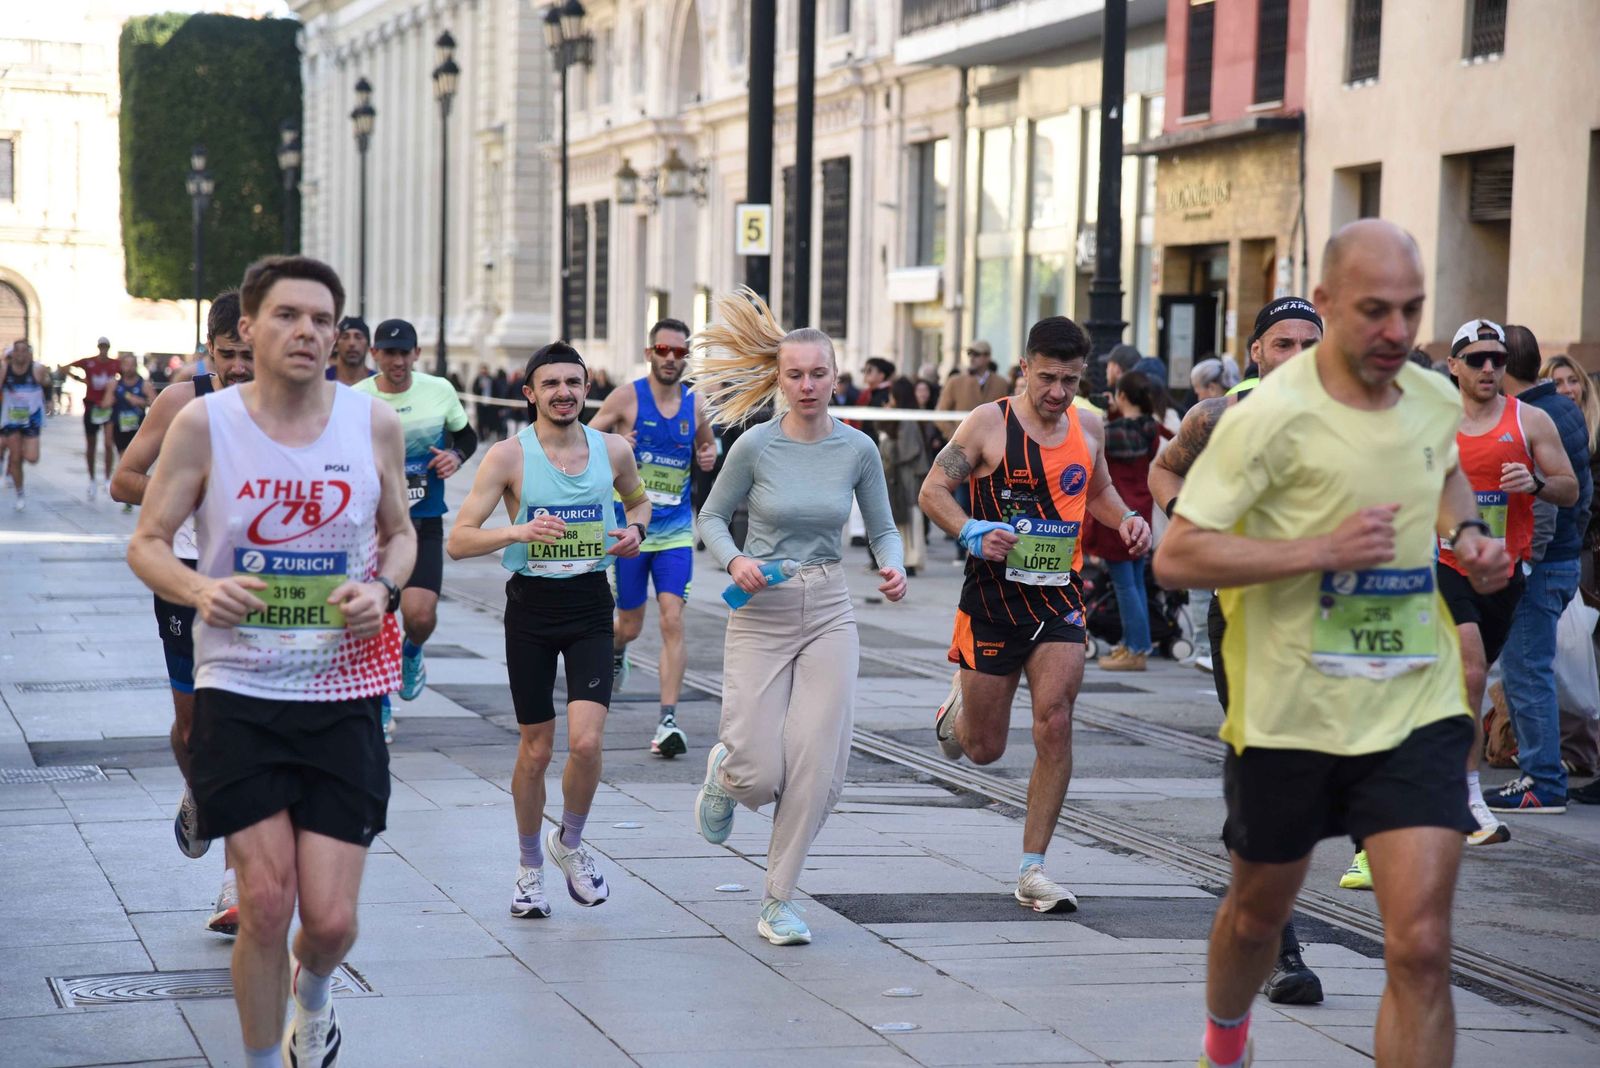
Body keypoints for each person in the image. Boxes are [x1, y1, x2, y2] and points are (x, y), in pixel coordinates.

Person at [1154, 219, 1509, 1068]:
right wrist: (1319, 550)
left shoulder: (1429, 397)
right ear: (1325, 303)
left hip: (1410, 700)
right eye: (1374, 310)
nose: (1395, 331)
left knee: (1421, 946)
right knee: (1256, 914)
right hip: (1291, 709)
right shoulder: (1261, 419)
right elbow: (1177, 556)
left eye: (1412, 310)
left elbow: (1445, 472)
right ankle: (1226, 1042)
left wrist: (1467, 535)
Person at [127, 255, 414, 1068]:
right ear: (246, 329)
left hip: (344, 693)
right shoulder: (204, 424)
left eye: (322, 320)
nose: (308, 332)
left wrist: (385, 591)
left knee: (329, 923)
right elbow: (146, 543)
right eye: (288, 316)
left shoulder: (372, 425)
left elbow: (401, 534)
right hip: (240, 690)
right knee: (265, 900)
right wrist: (196, 589)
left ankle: (315, 998)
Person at [690, 288, 905, 946]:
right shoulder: (755, 446)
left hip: (829, 608)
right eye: (795, 374)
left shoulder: (858, 449)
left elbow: (885, 527)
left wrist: (891, 566)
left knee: (815, 763)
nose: (807, 385)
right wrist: (733, 563)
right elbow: (711, 519)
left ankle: (778, 899)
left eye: (818, 374)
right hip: (761, 606)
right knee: (760, 766)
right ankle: (726, 775)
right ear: (778, 379)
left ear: (835, 378)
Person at [920, 316, 1152, 914]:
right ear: (1024, 368)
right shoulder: (988, 424)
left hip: (1057, 599)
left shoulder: (1090, 425)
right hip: (992, 602)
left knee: (1055, 721)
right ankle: (959, 710)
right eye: (1047, 378)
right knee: (984, 749)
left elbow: (1098, 492)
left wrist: (1124, 517)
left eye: (1070, 380)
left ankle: (1033, 869)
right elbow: (932, 492)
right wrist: (972, 529)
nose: (1057, 392)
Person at [1147, 294, 1326, 1003]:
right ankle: (1281, 949)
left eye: (1312, 343)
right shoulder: (1218, 416)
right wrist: (1189, 522)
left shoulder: (1363, 417)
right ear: (1255, 352)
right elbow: (1166, 471)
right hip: (1248, 624)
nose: (1297, 357)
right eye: (1283, 344)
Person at [447, 341, 648, 920]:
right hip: (530, 610)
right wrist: (517, 533)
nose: (564, 393)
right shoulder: (508, 457)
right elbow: (459, 540)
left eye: (574, 383)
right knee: (535, 748)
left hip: (589, 605)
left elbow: (638, 506)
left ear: (588, 390)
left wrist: (634, 531)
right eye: (551, 384)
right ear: (529, 393)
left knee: (586, 743)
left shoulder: (612, 450)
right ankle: (530, 866)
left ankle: (571, 844)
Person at [111, 291, 255, 935]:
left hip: (256, 579)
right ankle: (199, 789)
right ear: (211, 349)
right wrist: (193, 494)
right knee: (193, 726)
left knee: (240, 724)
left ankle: (235, 882)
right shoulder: (181, 400)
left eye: (253, 356)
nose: (243, 369)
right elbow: (124, 480)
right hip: (185, 573)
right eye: (230, 357)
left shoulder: (295, 402)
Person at [1437, 320, 1577, 842]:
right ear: (1454, 366)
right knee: (1472, 671)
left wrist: (1536, 482)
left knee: (1463, 684)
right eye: (1476, 359)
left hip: (1505, 572)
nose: (1490, 368)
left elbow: (1568, 489)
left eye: (1497, 358)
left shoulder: (1531, 421)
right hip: (1445, 565)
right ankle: (1470, 803)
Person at [587, 318, 717, 757]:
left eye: (680, 353)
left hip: (677, 530)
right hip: (632, 531)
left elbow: (706, 448)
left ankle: (667, 721)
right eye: (664, 350)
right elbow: (585, 440)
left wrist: (708, 454)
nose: (671, 359)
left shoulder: (694, 404)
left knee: (672, 618)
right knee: (629, 624)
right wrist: (615, 441)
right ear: (650, 353)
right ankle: (618, 647)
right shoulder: (627, 397)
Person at [1486, 324, 1590, 813]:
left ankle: (1543, 781)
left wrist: (1524, 565)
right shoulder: (1564, 407)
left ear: (1504, 366)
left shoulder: (1534, 416)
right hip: (1561, 557)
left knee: (1526, 671)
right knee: (1530, 669)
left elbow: (1546, 503)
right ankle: (1542, 773)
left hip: (1543, 563)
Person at [355, 318, 478, 717]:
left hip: (423, 520)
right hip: (373, 529)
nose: (398, 360)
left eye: (404, 352)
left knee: (420, 615)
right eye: (389, 353)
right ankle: (381, 700)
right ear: (375, 355)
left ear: (416, 354)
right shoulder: (356, 399)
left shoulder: (439, 390)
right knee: (378, 616)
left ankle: (412, 652)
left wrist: (454, 457)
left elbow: (467, 437)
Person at [1089, 371, 1169, 672]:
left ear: (1122, 396)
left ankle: (1135, 649)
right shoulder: (1151, 427)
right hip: (1141, 510)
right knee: (1135, 583)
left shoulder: (1113, 433)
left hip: (1117, 514)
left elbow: (1101, 443)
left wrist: (1106, 413)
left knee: (1125, 585)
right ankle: (1135, 642)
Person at [882, 376, 931, 576]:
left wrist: (885, 442)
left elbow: (906, 450)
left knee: (911, 518)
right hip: (900, 477)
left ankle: (911, 559)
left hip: (908, 478)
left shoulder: (907, 420)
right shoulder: (901, 417)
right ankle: (903, 558)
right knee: (902, 519)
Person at [67, 337, 120, 500]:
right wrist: (81, 380)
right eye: (101, 347)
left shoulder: (115, 364)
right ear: (98, 347)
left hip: (108, 408)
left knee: (108, 443)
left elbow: (124, 377)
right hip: (92, 407)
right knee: (91, 445)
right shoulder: (88, 362)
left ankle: (107, 478)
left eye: (106, 347)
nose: (103, 350)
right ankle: (92, 479)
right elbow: (65, 367)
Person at [2, 340, 49, 512]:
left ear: (29, 353)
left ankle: (19, 453)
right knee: (15, 457)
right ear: (13, 353)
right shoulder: (5, 369)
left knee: (32, 458)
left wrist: (49, 401)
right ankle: (19, 493)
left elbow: (47, 385)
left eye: (24, 351)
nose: (20, 354)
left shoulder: (37, 369)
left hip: (32, 418)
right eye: (17, 351)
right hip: (12, 419)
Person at [109, 353, 152, 512]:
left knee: (134, 461)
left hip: (138, 427)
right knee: (123, 457)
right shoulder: (115, 384)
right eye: (126, 364)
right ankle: (128, 493)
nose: (129, 368)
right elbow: (106, 402)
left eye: (132, 364)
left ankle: (131, 492)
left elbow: (155, 403)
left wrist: (139, 401)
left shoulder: (144, 384)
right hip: (120, 426)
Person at [327, 315, 375, 386]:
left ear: (368, 346)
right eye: (345, 337)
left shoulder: (378, 383)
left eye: (358, 337)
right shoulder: (322, 379)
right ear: (336, 345)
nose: (351, 343)